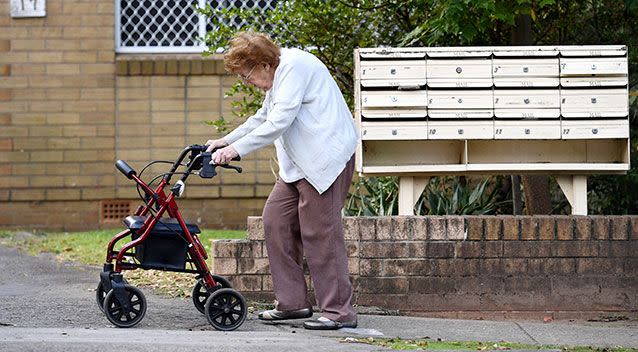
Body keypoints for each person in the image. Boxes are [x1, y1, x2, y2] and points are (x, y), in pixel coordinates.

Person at [204, 31, 359, 330]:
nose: (246, 81)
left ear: (263, 64)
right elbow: (264, 116)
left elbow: (279, 121)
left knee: (320, 234)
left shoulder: (295, 67)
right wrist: (226, 140)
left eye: (246, 75)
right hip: (299, 166)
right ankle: (293, 304)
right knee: (275, 221)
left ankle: (339, 312)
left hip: (324, 160)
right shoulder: (278, 73)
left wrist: (236, 151)